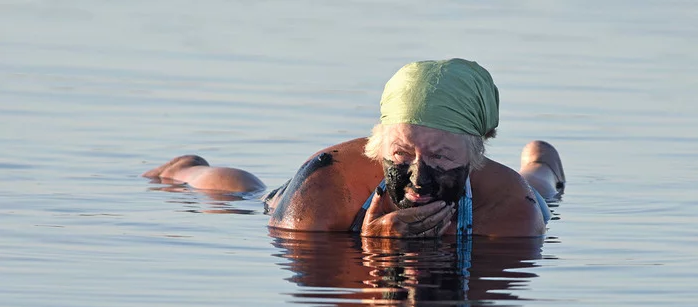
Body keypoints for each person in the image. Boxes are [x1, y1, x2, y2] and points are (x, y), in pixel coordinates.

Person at [143, 58, 565, 238]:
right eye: (400, 154)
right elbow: (295, 242)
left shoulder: (512, 205)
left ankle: (542, 162)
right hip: (307, 202)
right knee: (248, 193)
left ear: (476, 156)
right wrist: (374, 247)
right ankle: (187, 168)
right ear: (378, 146)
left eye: (439, 156)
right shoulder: (325, 184)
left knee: (541, 189)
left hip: (518, 194)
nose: (418, 175)